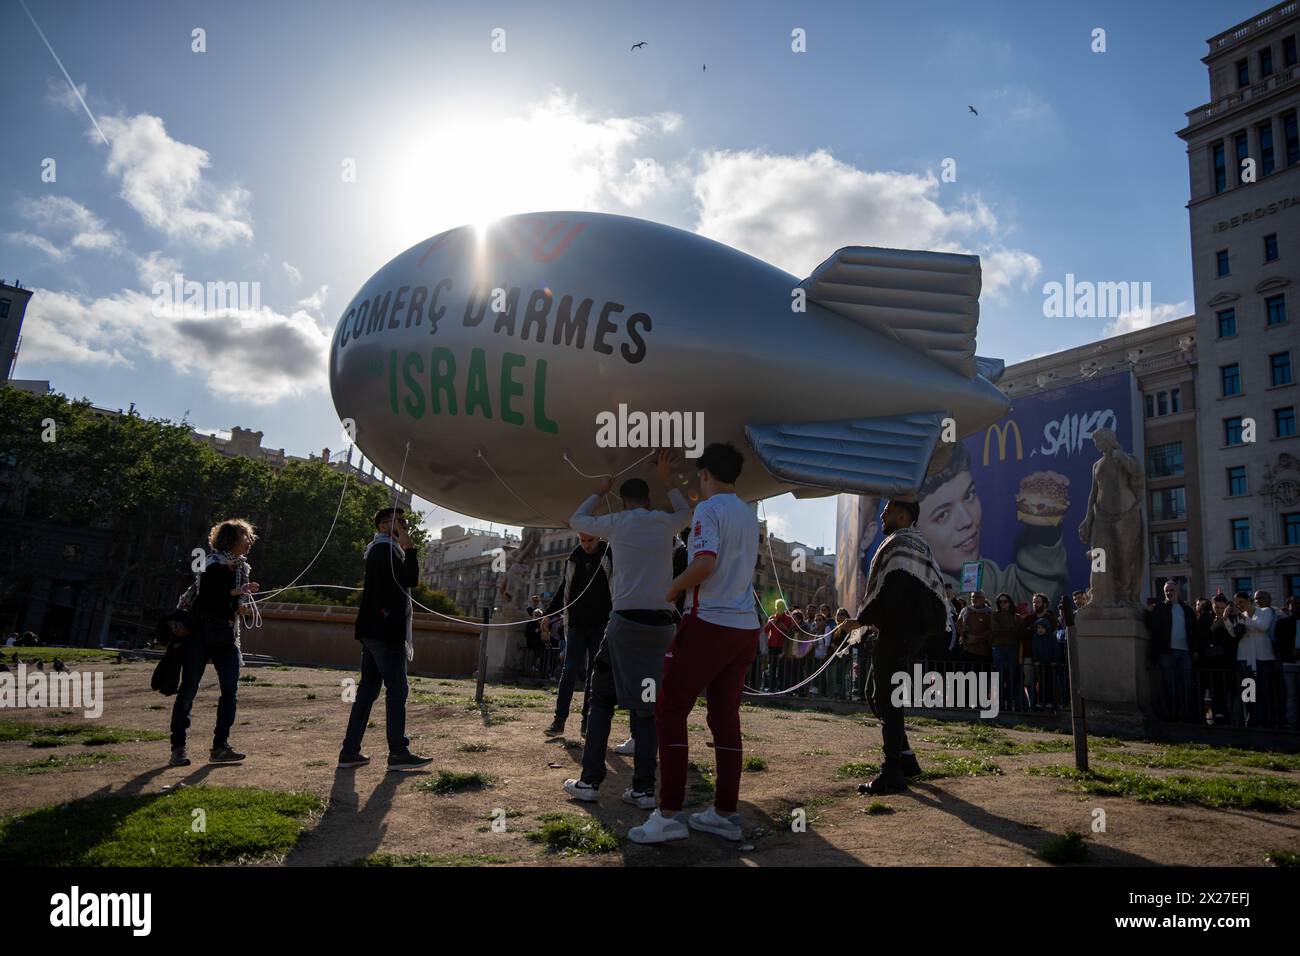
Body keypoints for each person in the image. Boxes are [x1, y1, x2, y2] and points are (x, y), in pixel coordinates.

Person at [631, 442, 760, 844]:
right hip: (744, 627)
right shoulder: (746, 513)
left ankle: (668, 813)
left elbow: (704, 563)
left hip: (708, 622)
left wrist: (671, 589)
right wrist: (670, 483)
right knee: (725, 718)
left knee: (670, 710)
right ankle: (725, 813)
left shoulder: (709, 510)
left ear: (705, 475)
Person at [564, 451, 689, 810]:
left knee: (601, 698)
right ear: (649, 501)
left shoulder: (617, 522)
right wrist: (669, 480)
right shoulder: (666, 523)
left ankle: (590, 781)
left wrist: (601, 491)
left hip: (624, 624)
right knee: (647, 707)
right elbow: (686, 513)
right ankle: (645, 789)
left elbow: (578, 520)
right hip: (660, 628)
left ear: (624, 500)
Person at [851, 498, 949, 795]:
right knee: (875, 693)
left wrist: (860, 621)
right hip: (901, 631)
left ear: (904, 515)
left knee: (887, 697)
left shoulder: (903, 544)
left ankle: (891, 769)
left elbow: (894, 591)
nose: (882, 513)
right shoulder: (910, 542)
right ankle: (905, 758)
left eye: (889, 509)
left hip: (900, 632)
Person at [915, 442, 1070, 609]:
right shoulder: (910, 589)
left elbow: (1032, 601)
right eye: (943, 514)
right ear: (913, 529)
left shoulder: (988, 577)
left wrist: (1044, 533)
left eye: (969, 495)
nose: (967, 520)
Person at [338, 507, 433, 771]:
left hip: (374, 630)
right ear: (382, 526)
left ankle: (350, 751)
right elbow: (409, 580)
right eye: (397, 522)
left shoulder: (382, 550)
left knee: (368, 690)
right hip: (385, 631)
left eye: (403, 521)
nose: (403, 525)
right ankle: (398, 752)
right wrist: (411, 549)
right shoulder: (385, 550)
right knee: (397, 690)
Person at [169, 518, 259, 767]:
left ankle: (220, 746)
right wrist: (236, 594)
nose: (249, 541)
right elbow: (206, 599)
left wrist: (238, 606)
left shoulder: (241, 567)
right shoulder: (211, 563)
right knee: (188, 690)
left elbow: (226, 603)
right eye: (245, 537)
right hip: (200, 634)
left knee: (231, 691)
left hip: (226, 634)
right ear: (230, 540)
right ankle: (178, 747)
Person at [543, 532, 612, 737]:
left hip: (601, 623)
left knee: (594, 672)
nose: (586, 545)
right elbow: (565, 586)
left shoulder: (609, 554)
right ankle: (559, 720)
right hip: (576, 624)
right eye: (582, 541)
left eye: (590, 540)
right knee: (569, 670)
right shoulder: (574, 557)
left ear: (599, 538)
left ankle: (587, 721)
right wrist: (548, 614)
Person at [1145, 579, 1196, 722]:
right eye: (1166, 591)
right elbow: (1152, 627)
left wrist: (1195, 650)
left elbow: (1193, 631)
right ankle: (1172, 714)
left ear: (1178, 591)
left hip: (1185, 652)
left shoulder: (1187, 610)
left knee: (1186, 684)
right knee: (1169, 685)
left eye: (1172, 590)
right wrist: (1148, 613)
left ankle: (1186, 714)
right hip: (1167, 652)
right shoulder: (1160, 608)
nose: (1169, 593)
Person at [1238, 590, 1281, 727]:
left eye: (1242, 602)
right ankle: (1251, 718)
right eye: (1237, 603)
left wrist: (1246, 620)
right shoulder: (1242, 615)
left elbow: (1263, 627)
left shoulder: (1266, 611)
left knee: (1265, 691)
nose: (1258, 601)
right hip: (1247, 657)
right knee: (1249, 690)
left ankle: (1268, 720)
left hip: (1264, 657)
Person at [1020, 593, 1058, 711]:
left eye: (1038, 602)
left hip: (1046, 659)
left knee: (1046, 682)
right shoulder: (1029, 618)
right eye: (1034, 602)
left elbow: (1051, 637)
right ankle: (1033, 703)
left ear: (1045, 604)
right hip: (1030, 655)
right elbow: (1023, 634)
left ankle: (1048, 702)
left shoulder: (1050, 619)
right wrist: (1032, 629)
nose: (1035, 604)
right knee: (1029, 682)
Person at [990, 592, 1021, 713]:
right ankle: (1000, 703)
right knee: (999, 677)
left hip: (1013, 648)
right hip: (999, 648)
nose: (1003, 604)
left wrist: (1006, 630)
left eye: (1005, 601)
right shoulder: (995, 615)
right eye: (1000, 602)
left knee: (1011, 677)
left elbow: (1018, 631)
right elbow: (995, 630)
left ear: (1010, 602)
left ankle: (1011, 704)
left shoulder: (1016, 616)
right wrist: (1010, 629)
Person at [1275, 595, 1299, 728]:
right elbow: (1279, 643)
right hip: (1288, 662)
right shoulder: (1283, 623)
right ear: (1289, 606)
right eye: (1294, 604)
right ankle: (1291, 721)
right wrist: (1289, 653)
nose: (1297, 606)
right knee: (1291, 694)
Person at [763, 599, 793, 693]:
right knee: (771, 668)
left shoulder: (788, 618)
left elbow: (788, 631)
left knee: (782, 669)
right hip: (772, 646)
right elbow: (765, 630)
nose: (780, 608)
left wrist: (780, 624)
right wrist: (771, 622)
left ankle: (781, 688)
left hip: (782, 647)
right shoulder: (772, 617)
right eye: (778, 606)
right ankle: (771, 688)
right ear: (776, 607)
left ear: (784, 607)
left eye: (782, 606)